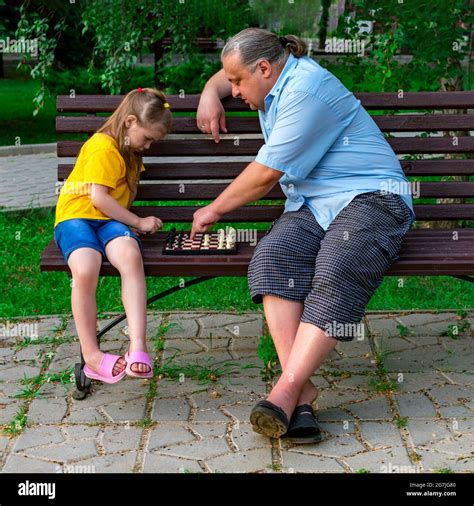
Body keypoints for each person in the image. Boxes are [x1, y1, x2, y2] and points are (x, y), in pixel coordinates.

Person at [191, 28, 415, 443]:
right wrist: (210, 89)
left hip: (373, 197)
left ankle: (286, 390)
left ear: (264, 69)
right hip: (314, 203)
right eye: (232, 83)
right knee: (272, 256)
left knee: (338, 264)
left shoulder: (307, 90)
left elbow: (264, 177)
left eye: (238, 82)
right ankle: (303, 393)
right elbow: (231, 74)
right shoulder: (272, 70)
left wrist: (214, 209)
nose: (234, 91)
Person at [54, 88, 172, 383]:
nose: (147, 146)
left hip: (108, 221)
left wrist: (127, 226)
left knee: (131, 257)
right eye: (147, 139)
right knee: (85, 267)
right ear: (130, 121)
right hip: (77, 217)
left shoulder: (129, 153)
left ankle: (138, 346)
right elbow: (99, 199)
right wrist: (139, 222)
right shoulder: (102, 146)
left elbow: (116, 203)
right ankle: (92, 356)